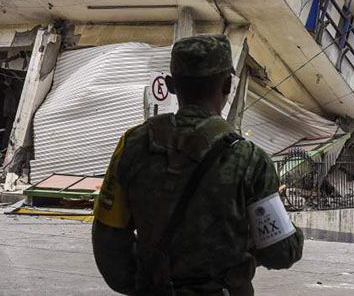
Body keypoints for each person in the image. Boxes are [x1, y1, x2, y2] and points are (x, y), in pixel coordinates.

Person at [92, 34, 303, 295]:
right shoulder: (250, 160)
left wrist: (147, 283)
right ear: (228, 84)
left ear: (170, 85)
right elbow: (282, 252)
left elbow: (108, 241)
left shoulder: (133, 144)